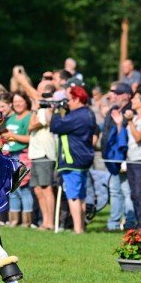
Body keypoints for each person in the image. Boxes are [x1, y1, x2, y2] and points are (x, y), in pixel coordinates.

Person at [50, 86, 98, 234]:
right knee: (81, 195)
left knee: (73, 196)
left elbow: (55, 126)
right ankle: (81, 227)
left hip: (73, 160)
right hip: (82, 158)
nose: (67, 103)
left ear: (77, 99)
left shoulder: (78, 116)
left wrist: (57, 111)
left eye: (69, 100)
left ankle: (78, 229)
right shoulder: (88, 113)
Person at [112, 87, 141, 229]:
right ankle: (139, 222)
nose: (132, 100)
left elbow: (138, 137)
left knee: (140, 192)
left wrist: (130, 121)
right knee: (134, 194)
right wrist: (121, 123)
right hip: (131, 159)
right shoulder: (135, 118)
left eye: (136, 98)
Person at [101, 82, 136, 231]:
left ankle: (129, 222)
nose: (114, 96)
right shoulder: (113, 110)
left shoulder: (130, 112)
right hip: (112, 158)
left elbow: (127, 136)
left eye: (118, 93)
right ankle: (114, 223)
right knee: (115, 191)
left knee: (127, 192)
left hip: (125, 157)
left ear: (127, 96)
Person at [0, 92, 33, 227]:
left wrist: (12, 136)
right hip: (9, 155)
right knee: (13, 189)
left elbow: (30, 138)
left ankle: (27, 221)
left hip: (22, 155)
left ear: (26, 102)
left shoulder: (30, 117)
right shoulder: (11, 118)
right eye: (15, 101)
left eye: (20, 101)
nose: (18, 104)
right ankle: (14, 220)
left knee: (24, 189)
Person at [28, 88, 57, 230]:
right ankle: (45, 222)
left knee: (46, 188)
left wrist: (34, 110)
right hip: (35, 153)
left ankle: (50, 222)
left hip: (45, 153)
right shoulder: (39, 110)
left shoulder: (47, 109)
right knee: (38, 189)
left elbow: (31, 126)